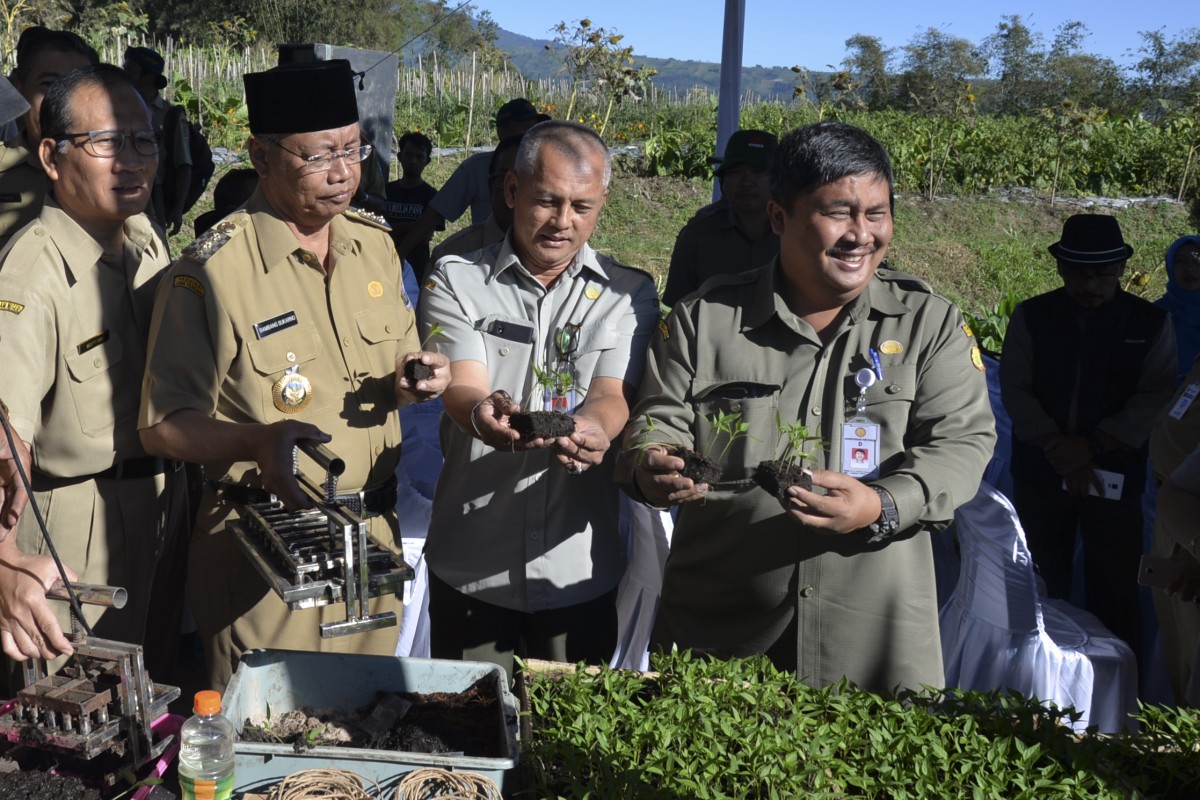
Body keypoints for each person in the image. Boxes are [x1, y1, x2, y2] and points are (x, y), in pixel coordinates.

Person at [620, 121, 994, 693]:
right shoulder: (706, 318)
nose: (861, 235)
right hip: (721, 636)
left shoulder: (928, 323)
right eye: (838, 212)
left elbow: (962, 441)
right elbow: (658, 415)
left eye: (877, 213)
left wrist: (883, 503)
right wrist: (655, 463)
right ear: (779, 218)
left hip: (874, 642)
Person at [138, 59, 448, 691]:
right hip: (262, 554)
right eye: (318, 157)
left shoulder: (375, 245)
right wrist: (253, 441)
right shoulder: (211, 272)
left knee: (365, 731)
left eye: (353, 149)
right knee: (274, 746)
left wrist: (412, 379)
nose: (343, 173)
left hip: (370, 546)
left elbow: (395, 364)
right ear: (260, 154)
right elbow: (162, 426)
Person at [418, 120, 659, 678]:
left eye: (581, 206)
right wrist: (482, 415)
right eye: (547, 201)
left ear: (602, 203)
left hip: (578, 569)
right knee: (466, 745)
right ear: (511, 191)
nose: (562, 222)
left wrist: (595, 430)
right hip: (473, 562)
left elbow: (611, 394)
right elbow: (462, 383)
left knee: (570, 744)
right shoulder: (456, 279)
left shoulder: (629, 293)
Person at [0, 64, 188, 672]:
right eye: (106, 142)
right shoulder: (31, 273)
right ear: (51, 157)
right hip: (74, 531)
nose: (130, 160)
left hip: (162, 506)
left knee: (153, 706)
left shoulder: (144, 241)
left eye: (143, 141)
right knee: (73, 722)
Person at [1000, 213, 1175, 666]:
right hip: (1043, 470)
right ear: (1061, 270)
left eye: (1100, 274)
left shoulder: (1150, 323)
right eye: (1078, 273)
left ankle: (1119, 696)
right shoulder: (1032, 316)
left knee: (1116, 587)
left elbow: (1155, 393)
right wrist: (1060, 447)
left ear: (1120, 269)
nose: (1089, 285)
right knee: (1037, 580)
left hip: (1114, 476)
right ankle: (1034, 684)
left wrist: (1093, 447)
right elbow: (1015, 388)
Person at [395, 98, 548, 265]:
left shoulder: (547, 169)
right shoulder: (477, 167)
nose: (531, 133)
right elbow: (435, 213)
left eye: (535, 127)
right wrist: (399, 255)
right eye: (525, 126)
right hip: (488, 262)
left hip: (536, 258)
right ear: (502, 130)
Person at [0, 27, 97, 248]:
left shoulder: (117, 173)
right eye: (48, 84)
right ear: (18, 88)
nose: (62, 103)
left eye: (78, 87)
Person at [661, 129, 780, 307]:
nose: (746, 181)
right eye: (735, 172)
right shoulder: (699, 233)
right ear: (722, 180)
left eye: (757, 172)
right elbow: (677, 306)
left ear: (780, 179)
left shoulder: (799, 232)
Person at [122, 46, 193, 235]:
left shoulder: (170, 116)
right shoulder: (119, 109)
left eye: (131, 70)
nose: (124, 74)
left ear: (149, 77)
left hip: (154, 196)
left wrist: (177, 209)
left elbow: (184, 165)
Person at [428, 133, 521, 264]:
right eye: (503, 179)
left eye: (527, 180)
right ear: (490, 187)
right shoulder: (452, 258)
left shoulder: (556, 258)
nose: (514, 191)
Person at [382, 131, 442, 279]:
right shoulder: (385, 192)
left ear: (427, 161)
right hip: (383, 262)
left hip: (416, 270)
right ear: (400, 157)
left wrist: (395, 228)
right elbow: (376, 229)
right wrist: (412, 226)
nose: (413, 161)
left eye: (419, 157)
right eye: (409, 155)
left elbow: (425, 236)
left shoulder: (432, 196)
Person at [1156, 235, 1200, 381]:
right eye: (1180, 261)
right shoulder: (1154, 314)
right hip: (1163, 400)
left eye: (1198, 260)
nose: (1190, 268)